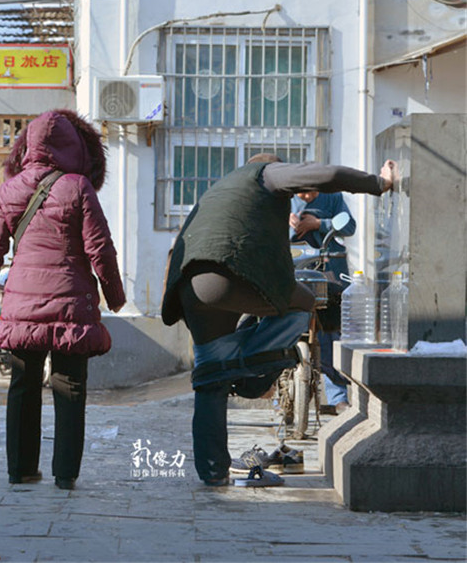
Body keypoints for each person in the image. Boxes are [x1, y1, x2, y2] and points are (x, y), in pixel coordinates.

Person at [160, 155, 396, 486]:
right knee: (304, 302)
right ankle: (250, 373)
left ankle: (214, 474)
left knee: (209, 380)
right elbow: (327, 173)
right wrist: (378, 183)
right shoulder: (266, 173)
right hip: (228, 276)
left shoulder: (224, 186)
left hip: (190, 288)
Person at [0, 109, 126, 490]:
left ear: (28, 147)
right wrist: (114, 295)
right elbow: (100, 248)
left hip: (21, 304)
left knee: (23, 386)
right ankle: (65, 473)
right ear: (74, 146)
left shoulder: (9, 189)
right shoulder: (77, 186)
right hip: (71, 302)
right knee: (69, 385)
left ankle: (20, 470)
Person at [290, 190, 356, 414]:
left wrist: (319, 223)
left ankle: (338, 397)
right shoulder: (284, 197)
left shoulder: (333, 198)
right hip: (292, 270)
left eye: (310, 192)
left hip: (328, 271)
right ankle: (282, 399)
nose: (305, 196)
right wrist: (286, 223)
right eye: (300, 192)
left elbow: (349, 227)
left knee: (331, 332)